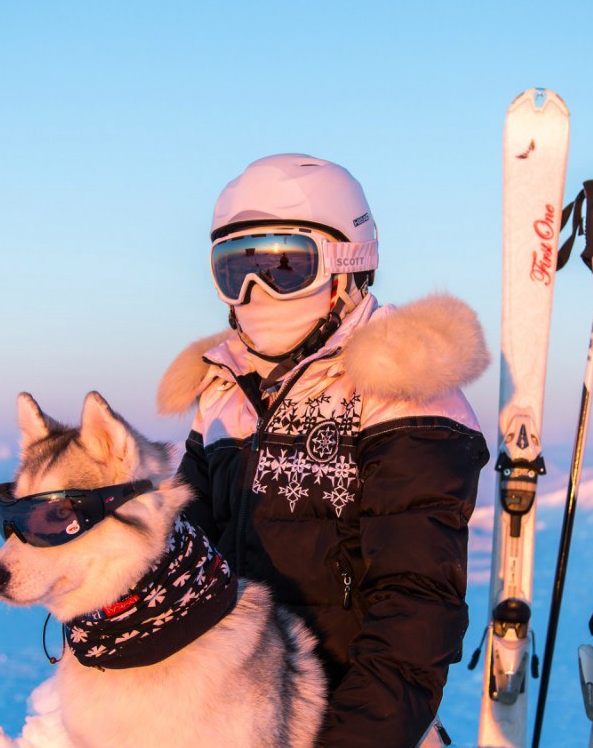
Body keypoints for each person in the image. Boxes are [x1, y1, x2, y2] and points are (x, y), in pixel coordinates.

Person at [157, 154, 490, 747]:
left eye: (287, 265)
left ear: (347, 265)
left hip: (344, 724)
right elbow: (183, 562)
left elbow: (414, 611)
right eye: (235, 270)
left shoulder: (402, 395)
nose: (256, 292)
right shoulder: (223, 392)